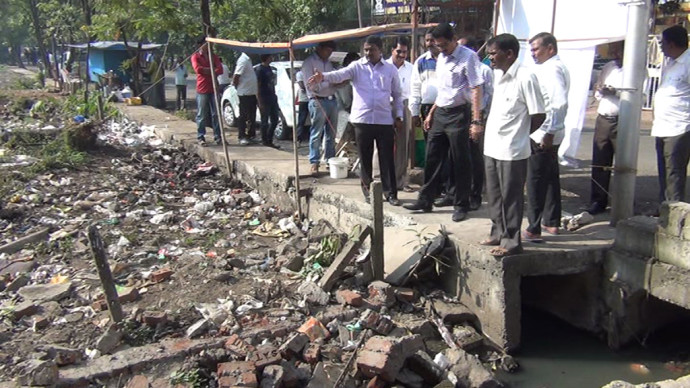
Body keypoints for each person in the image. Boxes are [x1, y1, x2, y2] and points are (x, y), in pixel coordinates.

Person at [403, 22, 485, 222]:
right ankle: (426, 199)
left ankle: (461, 203)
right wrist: (431, 113)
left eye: (444, 45)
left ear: (453, 39)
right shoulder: (441, 58)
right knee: (432, 157)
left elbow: (476, 89)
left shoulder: (468, 58)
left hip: (459, 114)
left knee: (460, 160)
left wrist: (476, 120)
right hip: (441, 112)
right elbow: (444, 91)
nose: (441, 49)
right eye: (438, 46)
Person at [308, 35, 404, 205]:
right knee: (364, 158)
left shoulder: (390, 70)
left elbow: (397, 95)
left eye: (371, 49)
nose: (368, 53)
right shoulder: (357, 67)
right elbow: (339, 74)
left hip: (384, 120)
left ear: (380, 50)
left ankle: (391, 193)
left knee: (387, 159)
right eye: (365, 49)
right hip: (363, 121)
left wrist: (398, 116)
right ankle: (368, 193)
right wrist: (323, 77)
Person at [483, 33, 546, 257]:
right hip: (492, 145)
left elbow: (538, 114)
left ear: (509, 54)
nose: (490, 58)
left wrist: (521, 135)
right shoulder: (498, 75)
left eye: (493, 53)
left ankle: (512, 242)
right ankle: (497, 232)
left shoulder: (525, 77)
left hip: (512, 149)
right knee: (494, 194)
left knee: (511, 197)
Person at [523, 32, 570, 242]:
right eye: (531, 50)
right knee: (550, 177)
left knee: (535, 180)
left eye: (536, 49)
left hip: (545, 132)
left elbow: (558, 103)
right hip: (548, 131)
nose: (533, 54)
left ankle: (534, 227)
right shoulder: (550, 68)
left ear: (550, 48)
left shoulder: (552, 69)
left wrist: (549, 131)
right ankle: (551, 222)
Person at [653, 25, 690, 203]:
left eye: (663, 43)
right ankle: (664, 209)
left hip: (679, 127)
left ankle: (675, 214)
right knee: (663, 172)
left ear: (672, 44)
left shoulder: (688, 63)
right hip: (662, 126)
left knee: (674, 173)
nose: (661, 47)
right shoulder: (671, 64)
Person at [589, 41, 624, 215]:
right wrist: (601, 89)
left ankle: (622, 201)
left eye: (619, 51)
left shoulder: (636, 69)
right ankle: (598, 200)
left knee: (623, 163)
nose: (615, 54)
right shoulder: (609, 67)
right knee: (600, 161)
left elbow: (642, 95)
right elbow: (598, 90)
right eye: (614, 51)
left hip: (623, 120)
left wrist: (616, 92)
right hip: (604, 118)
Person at [302, 41, 338, 177]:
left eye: (331, 51)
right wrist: (327, 83)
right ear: (319, 48)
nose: (329, 53)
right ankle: (314, 162)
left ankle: (330, 160)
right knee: (316, 133)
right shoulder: (309, 63)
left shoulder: (329, 64)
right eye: (327, 50)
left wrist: (329, 83)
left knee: (331, 133)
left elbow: (334, 81)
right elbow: (310, 85)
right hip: (318, 101)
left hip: (331, 100)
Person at [386, 37, 414, 191]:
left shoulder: (411, 68)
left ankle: (401, 181)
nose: (402, 55)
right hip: (385, 106)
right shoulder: (383, 66)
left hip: (404, 105)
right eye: (398, 51)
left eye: (404, 52)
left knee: (403, 144)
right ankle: (381, 180)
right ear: (392, 50)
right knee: (383, 143)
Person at [191, 37, 223, 146]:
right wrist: (212, 70)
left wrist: (207, 70)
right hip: (202, 89)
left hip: (214, 88)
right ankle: (201, 137)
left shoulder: (214, 57)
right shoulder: (196, 57)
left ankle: (218, 136)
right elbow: (198, 69)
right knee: (201, 114)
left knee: (216, 114)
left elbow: (220, 70)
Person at [255, 54, 281, 149]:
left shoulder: (269, 68)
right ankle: (264, 140)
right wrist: (259, 99)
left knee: (275, 119)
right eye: (270, 57)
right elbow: (257, 85)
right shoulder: (259, 69)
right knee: (264, 120)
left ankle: (269, 138)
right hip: (264, 97)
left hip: (272, 96)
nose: (272, 58)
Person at [233, 52, 258, 146]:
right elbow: (236, 75)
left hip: (251, 92)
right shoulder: (243, 60)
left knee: (252, 115)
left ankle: (251, 135)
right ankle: (242, 136)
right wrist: (237, 87)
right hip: (244, 93)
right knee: (243, 116)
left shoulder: (248, 59)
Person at [295, 70, 310, 143]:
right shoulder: (300, 74)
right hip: (304, 99)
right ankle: (298, 137)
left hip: (312, 99)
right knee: (302, 119)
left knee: (315, 119)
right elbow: (302, 86)